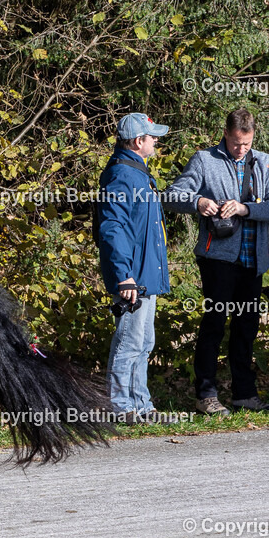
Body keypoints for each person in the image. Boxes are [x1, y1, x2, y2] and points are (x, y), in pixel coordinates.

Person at [163, 108, 269, 415]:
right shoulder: (204, 160)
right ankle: (206, 395)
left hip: (253, 261)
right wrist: (198, 201)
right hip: (217, 259)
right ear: (225, 133)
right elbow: (171, 196)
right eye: (237, 143)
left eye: (247, 143)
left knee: (247, 327)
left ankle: (244, 394)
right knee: (214, 325)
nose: (242, 149)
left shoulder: (266, 162)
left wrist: (244, 209)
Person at [95, 113, 174, 424]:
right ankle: (120, 406)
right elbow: (112, 228)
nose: (156, 140)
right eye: (152, 136)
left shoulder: (139, 173)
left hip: (144, 274)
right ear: (139, 141)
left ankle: (141, 405)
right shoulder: (121, 175)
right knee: (129, 341)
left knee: (144, 342)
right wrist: (123, 276)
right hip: (133, 276)